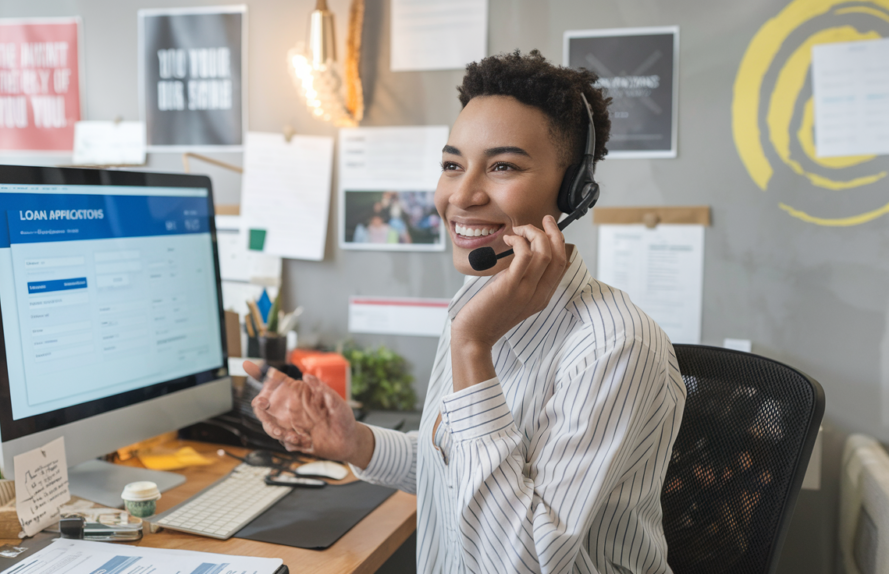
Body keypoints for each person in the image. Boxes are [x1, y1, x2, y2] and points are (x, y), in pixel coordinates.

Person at [245, 50, 686, 574]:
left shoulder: (614, 347)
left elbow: (523, 564)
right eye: (452, 165)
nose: (461, 194)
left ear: (573, 190)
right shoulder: (476, 300)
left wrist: (472, 347)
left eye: (503, 166)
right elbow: (458, 473)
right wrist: (356, 442)